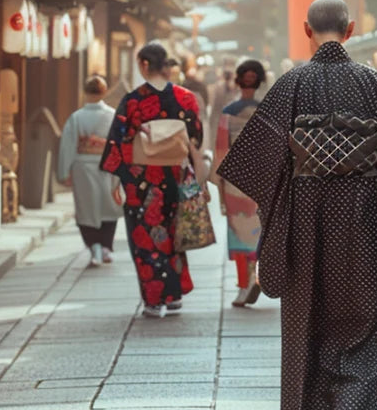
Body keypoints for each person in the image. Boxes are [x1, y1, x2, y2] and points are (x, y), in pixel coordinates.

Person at [217, 0, 377, 410]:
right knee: (367, 326)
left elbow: (257, 165)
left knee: (308, 326)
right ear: (350, 30)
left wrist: (294, 185)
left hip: (304, 228)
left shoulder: (290, 84)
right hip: (367, 225)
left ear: (306, 28)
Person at [101, 43, 205, 318]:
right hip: (177, 176)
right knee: (173, 234)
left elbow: (120, 140)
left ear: (145, 65)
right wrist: (198, 178)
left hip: (142, 180)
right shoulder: (186, 98)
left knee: (146, 238)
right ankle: (174, 296)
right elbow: (195, 138)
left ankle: (153, 299)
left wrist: (116, 180)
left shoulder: (133, 100)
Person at [212, 60, 267, 307]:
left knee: (238, 234)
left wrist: (218, 182)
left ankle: (243, 285)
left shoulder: (229, 113)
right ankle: (259, 274)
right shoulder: (268, 111)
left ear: (238, 79)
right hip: (263, 183)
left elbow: (222, 151)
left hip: (236, 182)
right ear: (260, 80)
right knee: (260, 232)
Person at [58, 75, 123, 267]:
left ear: (85, 93)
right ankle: (105, 248)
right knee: (108, 207)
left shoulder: (76, 117)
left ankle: (94, 246)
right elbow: (119, 144)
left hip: (83, 166)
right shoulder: (112, 115)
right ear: (104, 92)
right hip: (107, 166)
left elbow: (68, 146)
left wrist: (64, 172)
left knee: (86, 209)